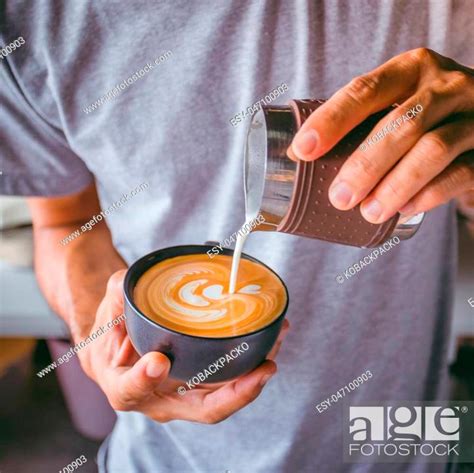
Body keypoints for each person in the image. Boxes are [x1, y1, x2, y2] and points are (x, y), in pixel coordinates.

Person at [1, 1, 473, 472]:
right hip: (167, 457)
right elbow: (64, 223)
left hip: (400, 440)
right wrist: (98, 342)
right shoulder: (33, 18)